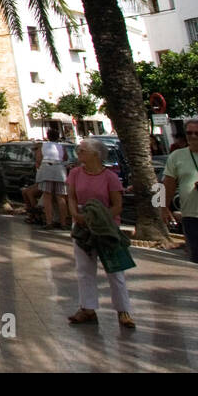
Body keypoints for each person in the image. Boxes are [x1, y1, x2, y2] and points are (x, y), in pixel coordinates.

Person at [67, 137, 135, 328]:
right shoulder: (75, 173)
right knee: (84, 269)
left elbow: (117, 205)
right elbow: (71, 196)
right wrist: (75, 215)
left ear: (95, 155)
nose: (78, 153)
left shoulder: (110, 177)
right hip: (82, 226)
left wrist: (100, 218)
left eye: (82, 151)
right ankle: (87, 308)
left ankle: (123, 310)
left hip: (106, 228)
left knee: (114, 269)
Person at [162, 118, 198, 281]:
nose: (193, 136)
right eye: (189, 133)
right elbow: (167, 183)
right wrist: (163, 207)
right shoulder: (177, 156)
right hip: (193, 217)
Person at [34, 128, 69, 229]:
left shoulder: (43, 146)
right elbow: (65, 158)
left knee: (47, 197)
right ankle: (63, 223)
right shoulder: (62, 147)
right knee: (61, 197)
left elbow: (38, 158)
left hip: (46, 170)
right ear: (58, 137)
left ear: (47, 136)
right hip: (59, 171)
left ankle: (49, 222)